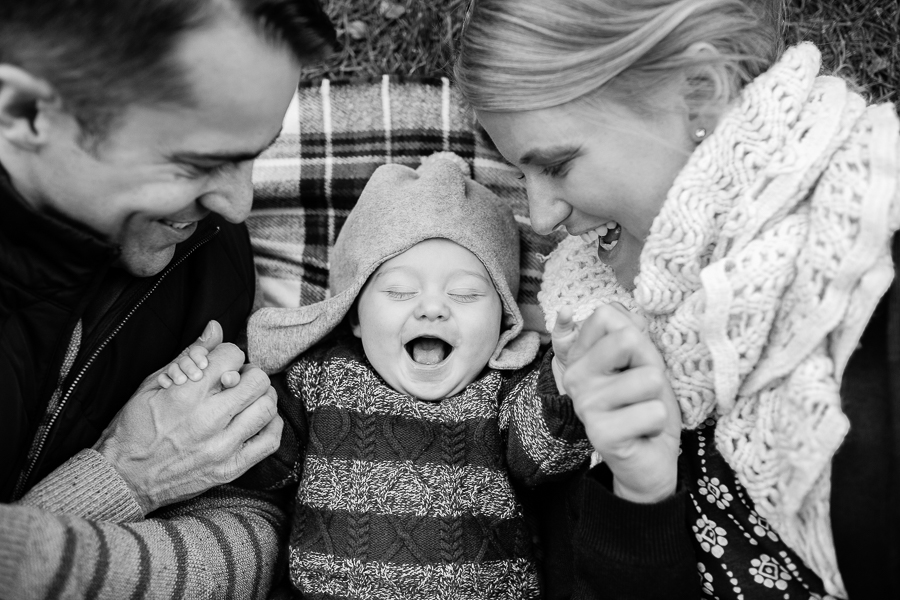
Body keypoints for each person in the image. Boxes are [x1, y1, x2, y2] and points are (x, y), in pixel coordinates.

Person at [455, 0, 900, 598]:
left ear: (700, 92)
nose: (539, 218)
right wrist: (640, 495)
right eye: (521, 175)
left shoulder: (869, 277)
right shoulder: (601, 298)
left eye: (557, 166)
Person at [0, 1, 336, 598]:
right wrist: (125, 479)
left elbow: (252, 530)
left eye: (254, 155)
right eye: (200, 163)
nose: (240, 204)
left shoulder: (208, 252)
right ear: (23, 112)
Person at [190, 154, 590, 598]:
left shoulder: (509, 385)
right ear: (354, 314)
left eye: (466, 293)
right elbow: (266, 469)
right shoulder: (320, 376)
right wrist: (226, 396)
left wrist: (566, 380)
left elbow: (544, 458)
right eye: (400, 290)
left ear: (505, 321)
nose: (433, 307)